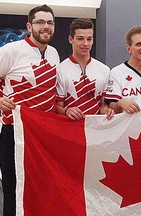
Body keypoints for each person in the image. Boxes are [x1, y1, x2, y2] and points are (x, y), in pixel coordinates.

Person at [0, 4, 60, 215]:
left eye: (50, 22)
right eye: (40, 22)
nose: (46, 27)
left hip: (43, 136)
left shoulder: (54, 53)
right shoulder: (11, 50)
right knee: (13, 189)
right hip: (14, 133)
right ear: (29, 25)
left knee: (41, 189)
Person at [56, 18, 113, 120]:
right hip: (70, 129)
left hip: (96, 130)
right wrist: (66, 111)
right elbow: (57, 106)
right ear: (70, 39)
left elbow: (104, 104)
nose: (85, 44)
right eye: (80, 39)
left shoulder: (104, 70)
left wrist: (106, 111)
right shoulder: (60, 70)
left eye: (89, 39)